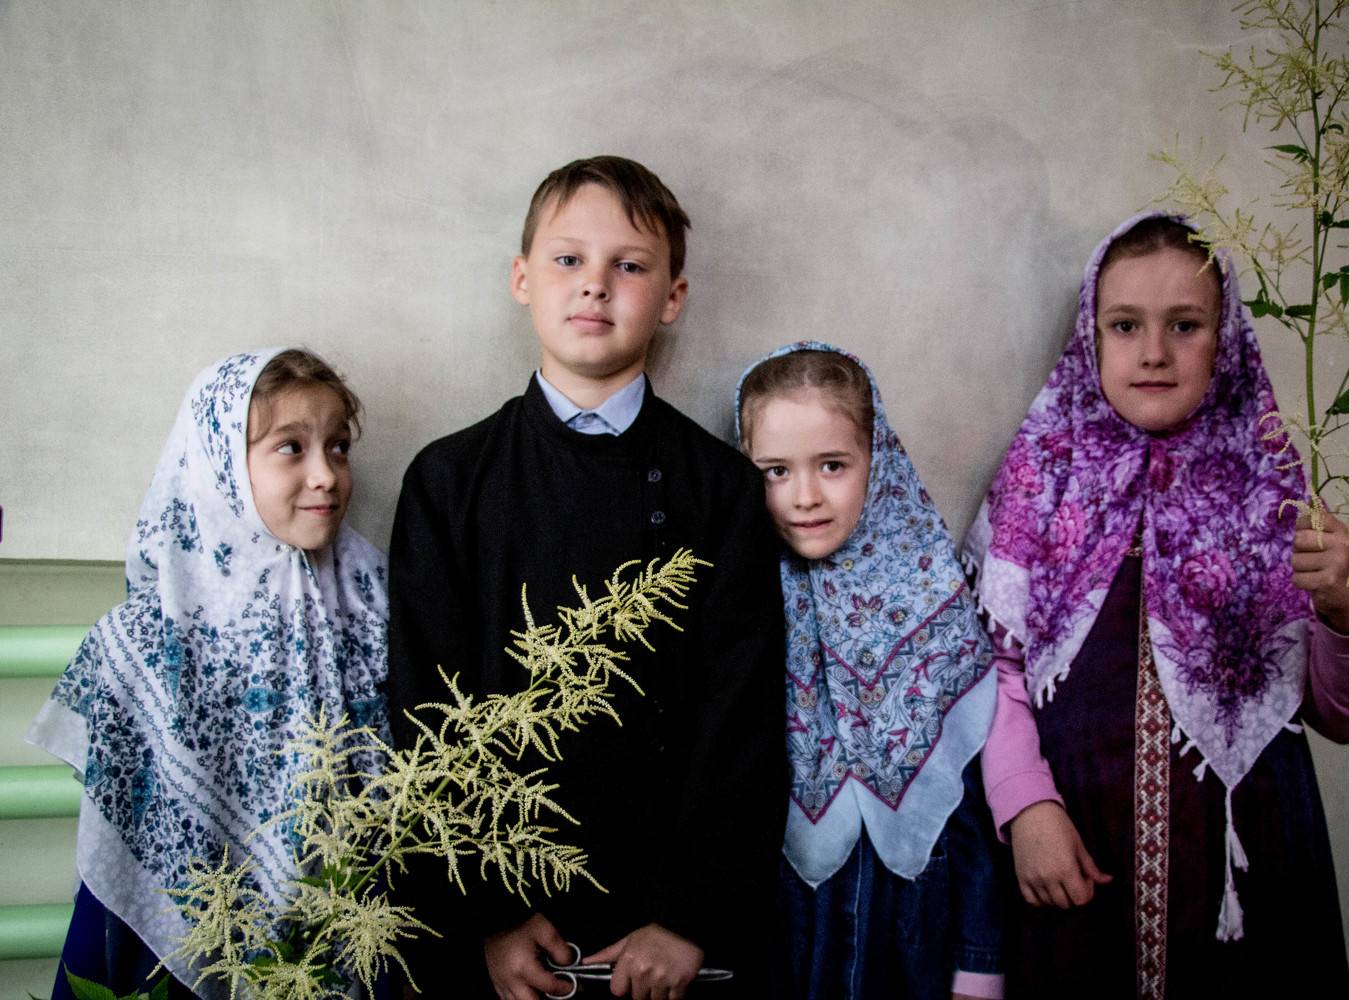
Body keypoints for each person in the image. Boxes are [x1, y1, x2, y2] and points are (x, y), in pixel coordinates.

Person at [386, 155, 787, 1000]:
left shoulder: (721, 489)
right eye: (568, 259)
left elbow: (741, 718)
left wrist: (687, 916)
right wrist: (490, 915)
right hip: (502, 926)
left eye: (629, 265)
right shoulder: (448, 483)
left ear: (673, 296)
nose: (595, 284)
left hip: (666, 929)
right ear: (522, 279)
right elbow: (428, 717)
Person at [964, 212, 1349, 999]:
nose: (1154, 352)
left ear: (1226, 341)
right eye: (1125, 325)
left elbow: (1344, 716)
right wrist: (1024, 806)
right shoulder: (1039, 478)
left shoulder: (1275, 493)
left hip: (1245, 866)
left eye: (1185, 325)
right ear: (1091, 336)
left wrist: (1344, 609)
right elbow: (993, 668)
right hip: (1073, 852)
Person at [27, 348, 389, 999]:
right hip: (171, 937)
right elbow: (134, 821)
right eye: (291, 447)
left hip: (341, 916)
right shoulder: (150, 632)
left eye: (338, 447)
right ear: (219, 461)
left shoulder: (370, 599)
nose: (326, 475)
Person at [736, 343, 1005, 1000]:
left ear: (876, 461)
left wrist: (979, 963)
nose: (805, 496)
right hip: (783, 928)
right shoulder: (738, 603)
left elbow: (965, 798)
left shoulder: (929, 596)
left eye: (832, 465)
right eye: (775, 471)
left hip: (911, 924)